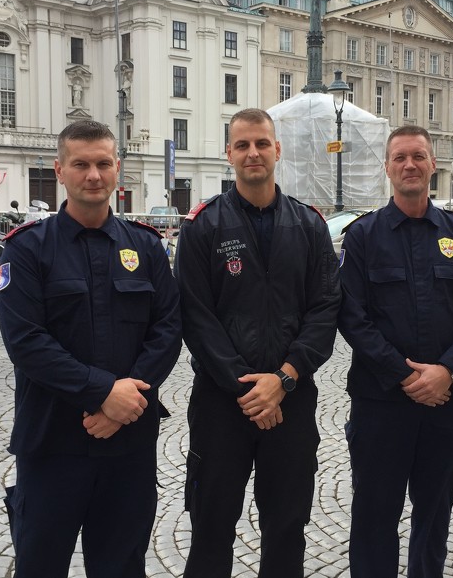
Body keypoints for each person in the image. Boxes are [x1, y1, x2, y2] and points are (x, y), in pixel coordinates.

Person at [0, 119, 182, 578]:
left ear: (118, 168)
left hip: (128, 444)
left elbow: (168, 329)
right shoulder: (26, 250)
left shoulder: (147, 247)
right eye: (81, 164)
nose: (93, 175)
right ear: (60, 170)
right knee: (40, 565)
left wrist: (124, 404)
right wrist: (103, 394)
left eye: (102, 163)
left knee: (121, 566)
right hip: (52, 441)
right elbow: (27, 342)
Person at [175, 108, 340, 578]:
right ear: (229, 153)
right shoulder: (203, 226)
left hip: (291, 400)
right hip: (222, 405)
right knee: (211, 526)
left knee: (287, 526)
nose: (253, 153)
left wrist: (284, 379)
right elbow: (195, 316)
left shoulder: (309, 226)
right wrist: (249, 389)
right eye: (243, 145)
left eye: (262, 143)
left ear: (277, 150)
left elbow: (325, 309)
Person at [337, 125, 453, 578]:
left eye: (419, 156)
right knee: (373, 515)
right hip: (381, 403)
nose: (410, 164)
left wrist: (446, 372)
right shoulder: (363, 236)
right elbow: (353, 319)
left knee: (435, 513)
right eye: (401, 157)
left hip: (449, 403)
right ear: (388, 167)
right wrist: (406, 376)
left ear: (432, 164)